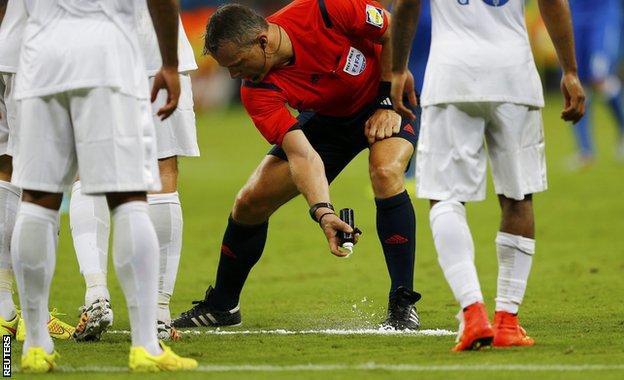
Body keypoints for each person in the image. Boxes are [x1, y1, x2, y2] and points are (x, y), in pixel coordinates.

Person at [173, 0, 422, 331]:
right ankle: (222, 305)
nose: (234, 75)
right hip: (329, 120)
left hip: (385, 98)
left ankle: (402, 302)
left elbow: (392, 27)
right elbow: (302, 155)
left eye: (236, 64)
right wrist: (324, 211)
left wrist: (388, 97)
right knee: (250, 200)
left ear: (263, 41)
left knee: (385, 171)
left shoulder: (326, 9)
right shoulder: (256, 91)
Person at [10, 0, 196, 372]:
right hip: (107, 56)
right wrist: (170, 63)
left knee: (36, 198)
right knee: (129, 197)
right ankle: (146, 343)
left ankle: (34, 344)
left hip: (39, 58)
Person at [390, 0, 585, 351]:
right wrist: (569, 71)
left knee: (446, 197)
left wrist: (398, 68)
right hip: (515, 76)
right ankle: (508, 322)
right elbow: (554, 3)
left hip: (453, 76)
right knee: (518, 196)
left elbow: (405, 5)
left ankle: (473, 312)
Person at [70, 0, 200, 342]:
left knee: (87, 170)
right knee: (162, 176)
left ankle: (95, 294)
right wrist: (170, 62)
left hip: (85, 53)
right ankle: (157, 312)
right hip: (152, 46)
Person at [0, 0, 75, 341]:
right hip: (37, 56)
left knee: (6, 166)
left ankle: (4, 308)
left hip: (10, 48)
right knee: (40, 177)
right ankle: (34, 315)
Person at [569, 0, 624, 165]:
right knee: (577, 83)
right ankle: (585, 151)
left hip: (603, 15)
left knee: (600, 78)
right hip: (574, 16)